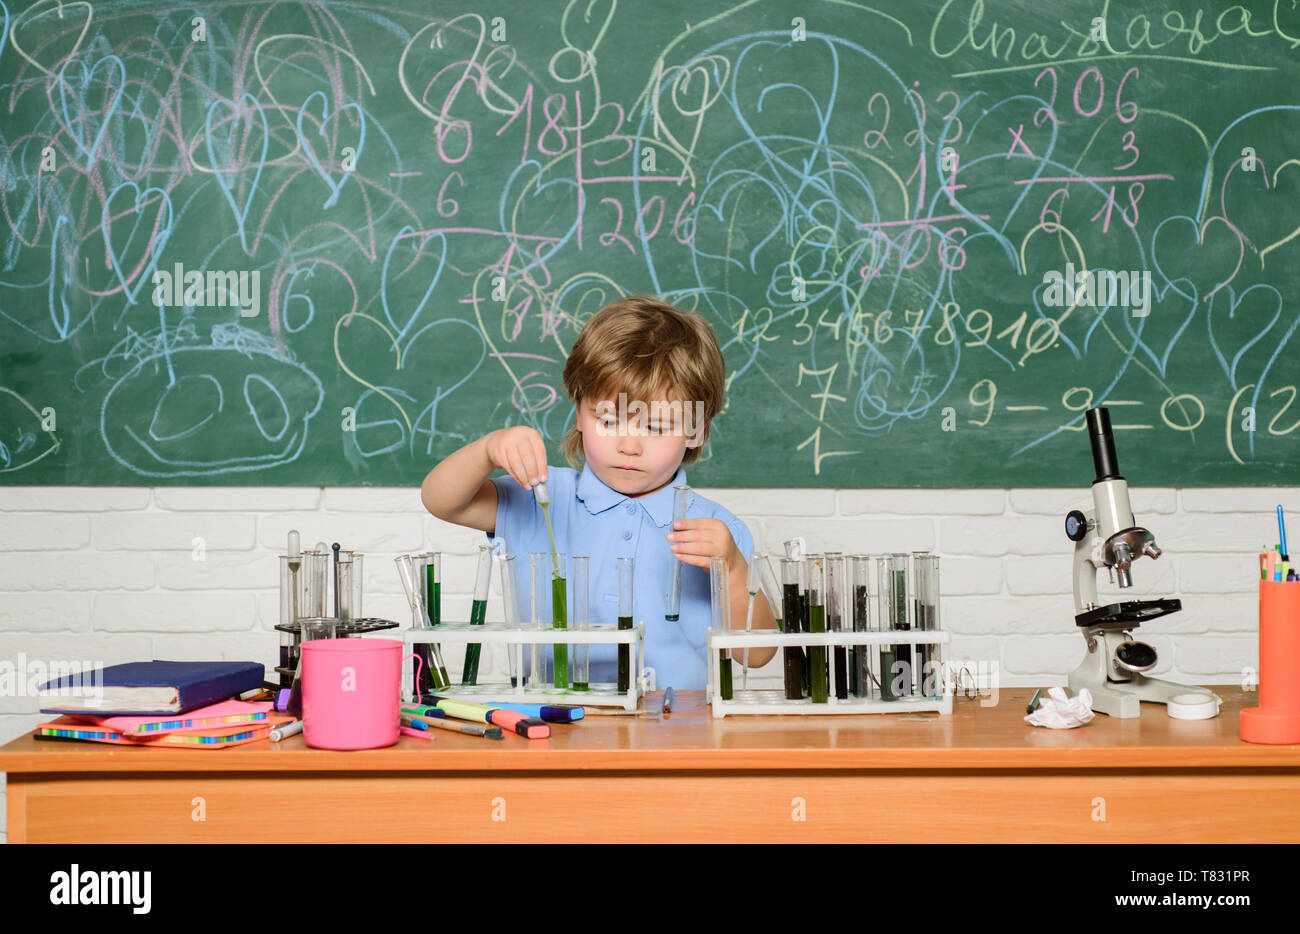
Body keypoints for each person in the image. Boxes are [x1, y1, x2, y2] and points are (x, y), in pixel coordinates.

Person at [421, 296, 776, 691]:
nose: (629, 445)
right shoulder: (541, 496)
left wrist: (734, 569)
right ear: (579, 412)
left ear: (697, 431)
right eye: (608, 419)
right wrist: (487, 451)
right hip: (554, 722)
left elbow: (757, 655)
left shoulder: (717, 531)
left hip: (677, 731)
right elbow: (441, 500)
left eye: (656, 427)